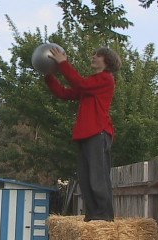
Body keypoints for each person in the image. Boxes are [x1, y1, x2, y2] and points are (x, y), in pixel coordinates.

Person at [44, 46, 121, 222]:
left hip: (98, 133)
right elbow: (64, 93)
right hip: (86, 134)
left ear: (106, 61)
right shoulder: (92, 84)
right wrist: (48, 76)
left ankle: (104, 216)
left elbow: (80, 83)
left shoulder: (105, 79)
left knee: (98, 177)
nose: (93, 57)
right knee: (85, 179)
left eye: (97, 55)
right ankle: (93, 215)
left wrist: (63, 64)